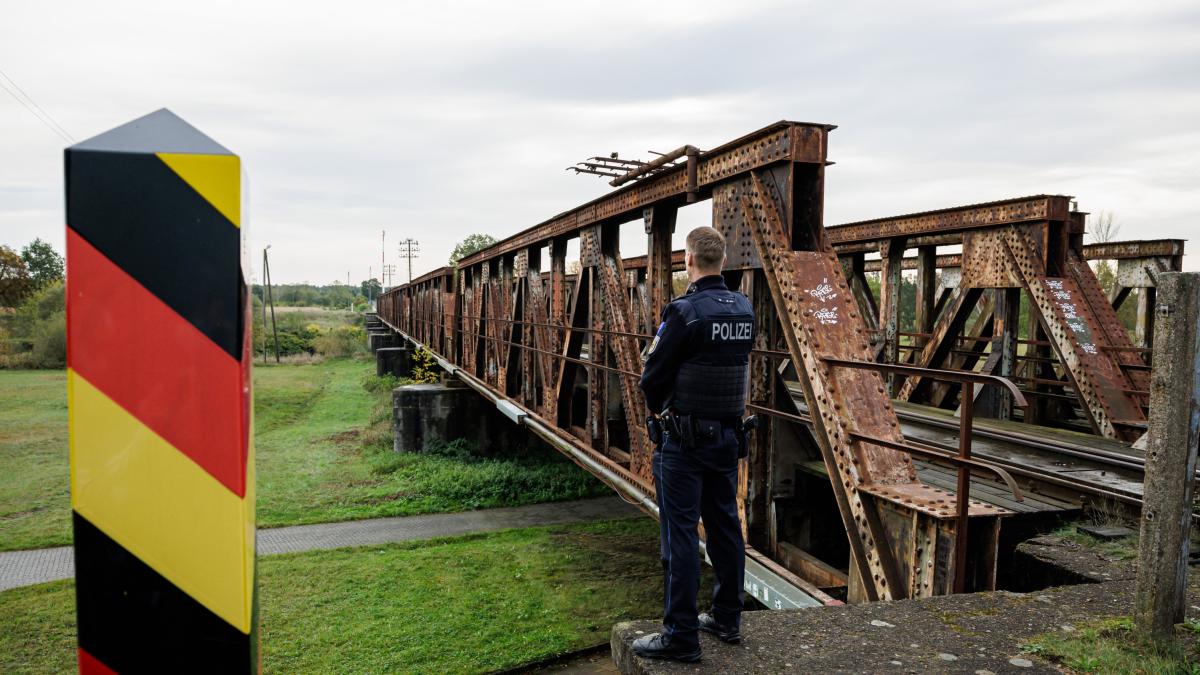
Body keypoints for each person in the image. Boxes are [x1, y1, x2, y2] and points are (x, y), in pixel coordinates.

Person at [633, 226, 755, 663]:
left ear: (688, 260)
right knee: (725, 527)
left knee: (680, 535)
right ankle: (727, 618)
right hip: (727, 437)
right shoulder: (744, 309)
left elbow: (652, 377)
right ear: (722, 260)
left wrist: (659, 413)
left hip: (683, 443)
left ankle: (680, 635)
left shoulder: (685, 312)